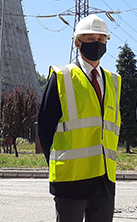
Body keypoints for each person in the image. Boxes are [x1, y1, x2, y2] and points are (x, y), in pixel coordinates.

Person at [38, 14, 122, 222]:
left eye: (100, 39)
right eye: (90, 39)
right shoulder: (62, 77)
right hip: (71, 180)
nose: (96, 43)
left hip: (104, 180)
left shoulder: (113, 81)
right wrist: (59, 164)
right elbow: (45, 129)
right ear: (77, 43)